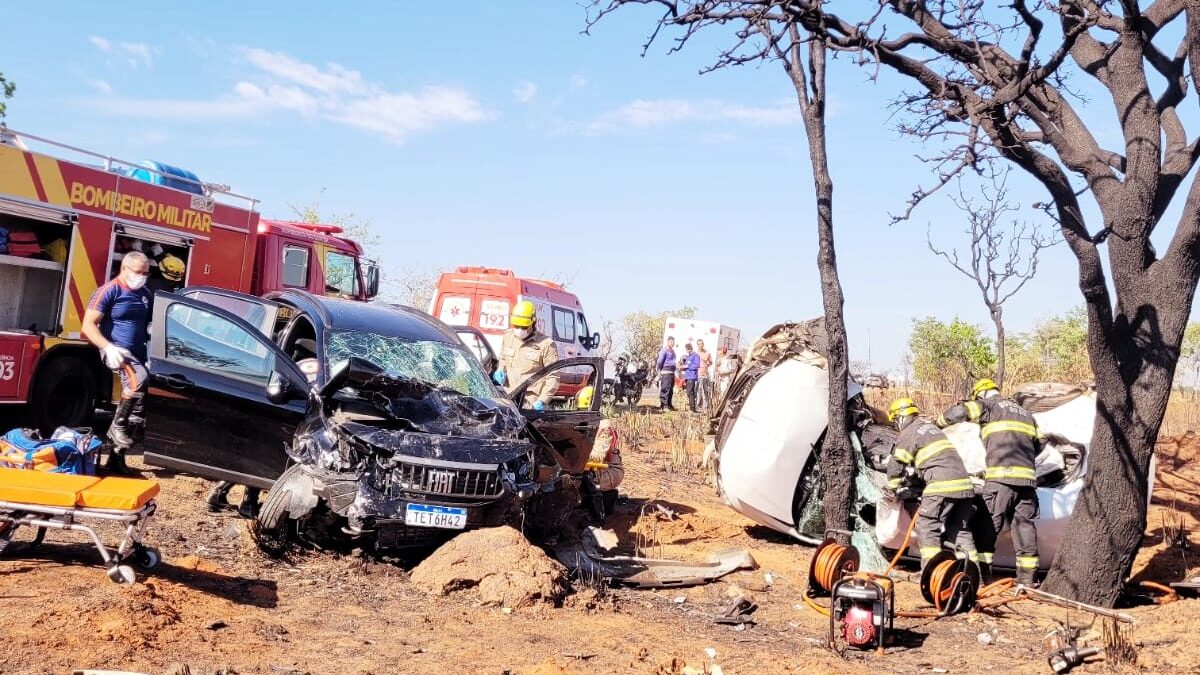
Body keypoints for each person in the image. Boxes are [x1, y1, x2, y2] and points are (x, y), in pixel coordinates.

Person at [937, 378, 1041, 585]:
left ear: (981, 394)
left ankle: (983, 579)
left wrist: (938, 423)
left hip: (1000, 480)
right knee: (1025, 530)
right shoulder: (1028, 415)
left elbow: (960, 413)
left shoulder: (989, 406)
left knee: (987, 529)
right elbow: (1040, 444)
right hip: (1028, 483)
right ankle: (1028, 583)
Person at [81, 251, 153, 475]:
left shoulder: (145, 294)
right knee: (138, 379)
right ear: (124, 269)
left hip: (139, 354)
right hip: (117, 352)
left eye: (146, 273)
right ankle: (117, 427)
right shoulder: (109, 290)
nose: (142, 277)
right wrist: (107, 347)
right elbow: (88, 325)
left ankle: (115, 459)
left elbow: (148, 324)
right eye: (138, 272)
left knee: (139, 409)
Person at [886, 397, 978, 569]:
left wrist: (892, 488)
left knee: (927, 527)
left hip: (942, 486)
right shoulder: (932, 429)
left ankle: (933, 575)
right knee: (961, 533)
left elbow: (896, 464)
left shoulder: (909, 432)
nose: (896, 426)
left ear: (900, 417)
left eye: (895, 421)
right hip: (965, 486)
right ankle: (972, 577)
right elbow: (931, 461)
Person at [494, 300, 558, 410]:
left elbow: (553, 377)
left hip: (529, 402)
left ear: (533, 323)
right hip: (507, 398)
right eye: (516, 326)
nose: (519, 330)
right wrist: (500, 370)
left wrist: (542, 401)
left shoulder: (546, 345)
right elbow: (503, 359)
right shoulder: (508, 337)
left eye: (523, 327)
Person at [656, 337, 678, 411]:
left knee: (670, 390)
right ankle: (664, 405)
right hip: (666, 372)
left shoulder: (673, 351)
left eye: (673, 342)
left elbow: (674, 361)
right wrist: (660, 370)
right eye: (671, 342)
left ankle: (669, 404)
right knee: (665, 389)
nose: (672, 343)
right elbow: (659, 361)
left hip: (672, 372)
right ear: (668, 342)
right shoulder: (664, 350)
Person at [680, 343, 701, 412]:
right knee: (689, 392)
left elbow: (697, 365)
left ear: (691, 348)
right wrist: (682, 368)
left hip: (692, 376)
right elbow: (686, 366)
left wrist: (687, 366)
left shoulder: (696, 356)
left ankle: (693, 408)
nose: (688, 351)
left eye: (689, 349)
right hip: (687, 376)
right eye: (687, 350)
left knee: (690, 392)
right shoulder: (688, 356)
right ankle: (691, 407)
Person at [696, 339, 713, 411]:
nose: (701, 345)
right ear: (697, 345)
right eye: (699, 344)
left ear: (703, 344)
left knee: (704, 391)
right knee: (697, 391)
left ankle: (705, 406)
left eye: (702, 344)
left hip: (704, 374)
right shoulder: (695, 353)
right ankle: (697, 405)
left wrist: (707, 362)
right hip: (696, 374)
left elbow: (711, 362)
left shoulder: (707, 353)